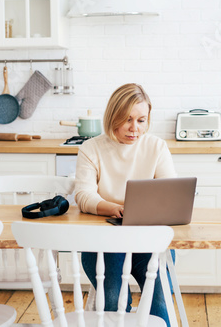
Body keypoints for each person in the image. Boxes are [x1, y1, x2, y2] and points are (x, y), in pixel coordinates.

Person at [74, 83, 177, 325]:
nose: (134, 129)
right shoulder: (92, 148)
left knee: (159, 301)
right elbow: (83, 195)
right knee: (115, 300)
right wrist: (113, 208)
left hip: (148, 240)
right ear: (113, 117)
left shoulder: (156, 147)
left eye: (141, 120)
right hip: (103, 242)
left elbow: (170, 193)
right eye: (127, 120)